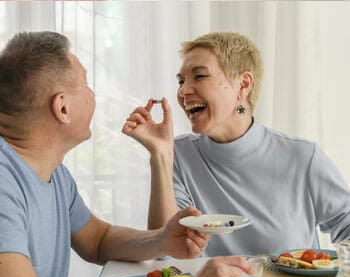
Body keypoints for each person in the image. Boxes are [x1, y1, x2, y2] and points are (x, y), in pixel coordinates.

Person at [0, 31, 254, 277]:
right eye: (86, 84)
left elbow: (98, 240)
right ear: (62, 107)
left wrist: (161, 239)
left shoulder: (53, 175)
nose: (94, 95)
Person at [123, 31, 350, 257]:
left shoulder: (302, 158)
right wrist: (160, 156)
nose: (183, 91)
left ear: (243, 85)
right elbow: (164, 253)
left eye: (199, 76)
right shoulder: (177, 155)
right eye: (181, 81)